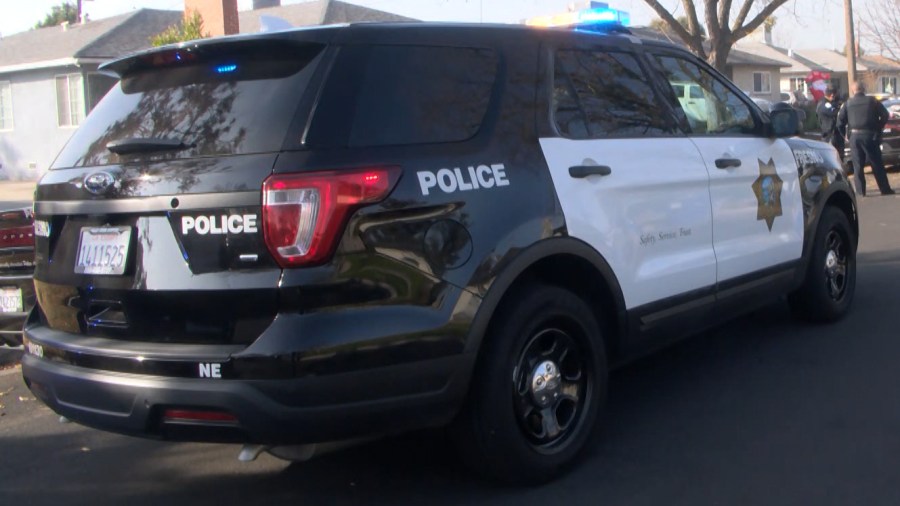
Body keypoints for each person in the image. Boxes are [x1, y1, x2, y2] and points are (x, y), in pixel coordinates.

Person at [837, 82, 894, 196]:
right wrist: (878, 127)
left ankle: (860, 192)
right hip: (870, 135)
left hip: (855, 137)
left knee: (858, 166)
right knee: (876, 164)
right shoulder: (872, 101)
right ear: (864, 89)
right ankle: (885, 189)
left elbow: (840, 123)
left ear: (853, 91)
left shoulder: (848, 104)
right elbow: (885, 115)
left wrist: (845, 135)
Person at [816, 86, 845, 161]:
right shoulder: (824, 104)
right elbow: (835, 113)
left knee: (839, 156)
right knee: (832, 157)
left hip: (835, 133)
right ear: (832, 94)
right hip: (830, 134)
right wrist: (841, 108)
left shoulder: (831, 103)